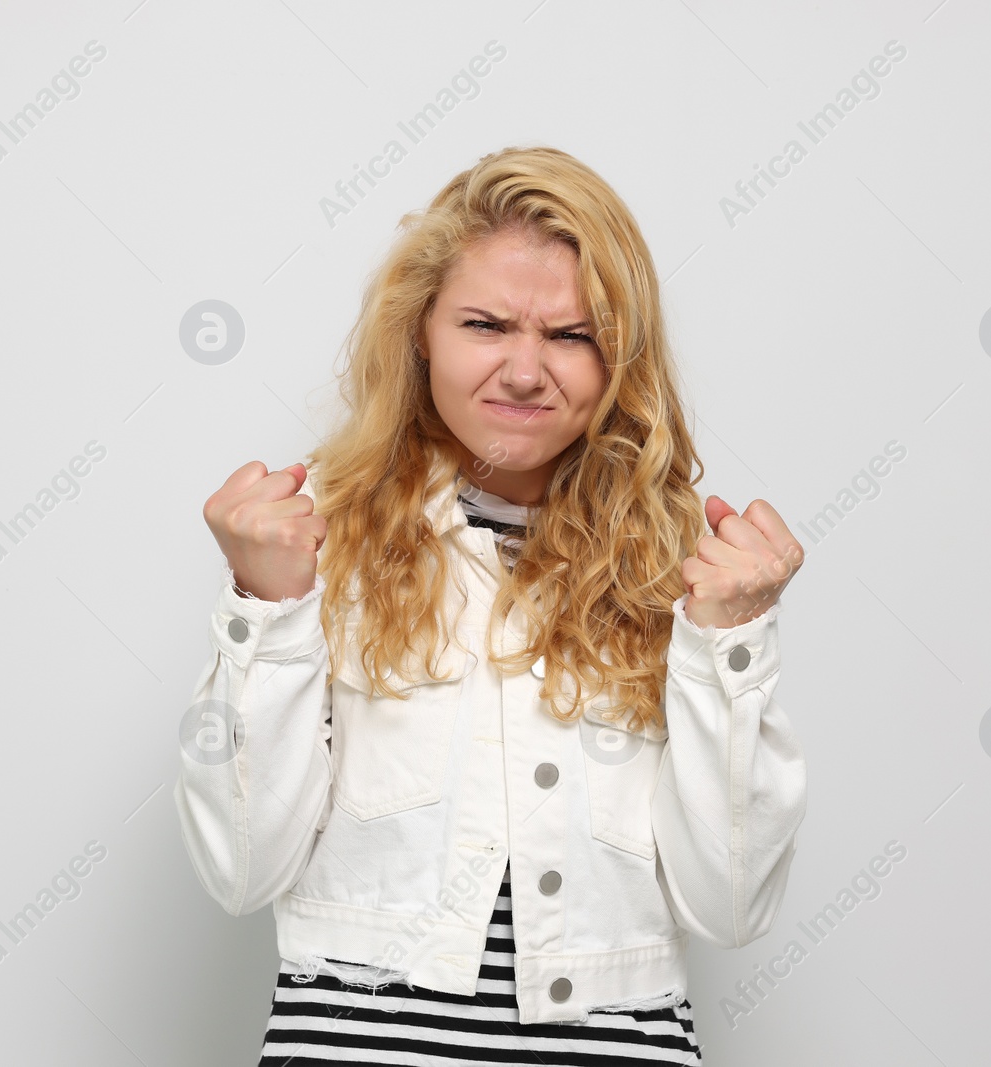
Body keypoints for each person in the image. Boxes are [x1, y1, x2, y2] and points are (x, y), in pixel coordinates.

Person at [177, 145, 808, 1065]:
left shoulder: (686, 571)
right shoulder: (314, 539)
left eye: (570, 335)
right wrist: (265, 611)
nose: (524, 371)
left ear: (618, 357)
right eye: (485, 324)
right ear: (420, 331)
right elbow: (239, 870)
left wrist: (732, 643)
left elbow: (732, 903)